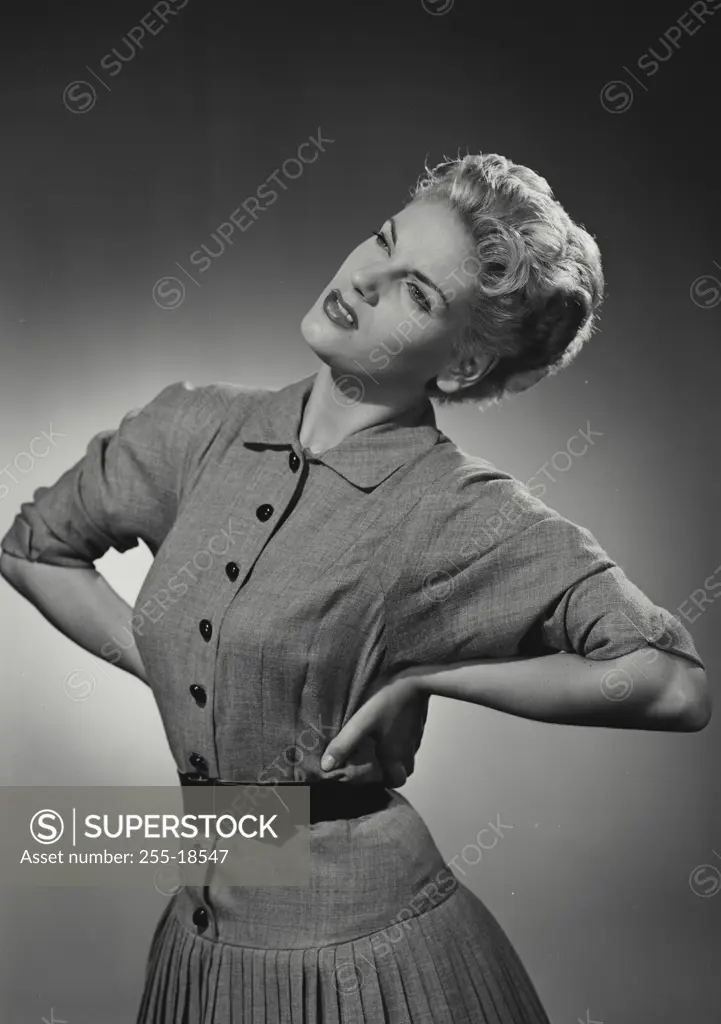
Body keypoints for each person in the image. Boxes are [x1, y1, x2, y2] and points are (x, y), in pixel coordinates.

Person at [0, 152, 710, 1023]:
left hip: (372, 954)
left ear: (459, 366)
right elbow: (35, 548)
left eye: (417, 293)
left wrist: (434, 677)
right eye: (381, 242)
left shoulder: (454, 511)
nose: (365, 280)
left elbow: (674, 684)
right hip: (206, 918)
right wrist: (178, 665)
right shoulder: (192, 429)